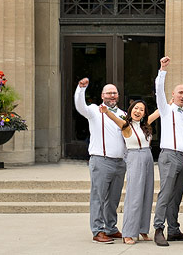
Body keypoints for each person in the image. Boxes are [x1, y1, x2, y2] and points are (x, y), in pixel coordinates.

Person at [75, 78, 128, 244]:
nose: (112, 95)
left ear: (118, 96)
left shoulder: (123, 115)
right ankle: (98, 230)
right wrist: (81, 89)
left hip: (120, 162)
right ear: (102, 95)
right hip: (101, 160)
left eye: (114, 93)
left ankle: (111, 228)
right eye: (108, 93)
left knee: (113, 198)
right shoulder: (94, 111)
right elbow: (80, 106)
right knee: (98, 197)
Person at [100, 98, 156, 245]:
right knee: (134, 196)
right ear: (130, 110)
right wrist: (106, 111)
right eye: (135, 108)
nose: (138, 111)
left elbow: (159, 112)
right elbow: (113, 117)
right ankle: (128, 233)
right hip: (134, 157)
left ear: (144, 113)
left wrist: (169, 103)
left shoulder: (146, 124)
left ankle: (143, 229)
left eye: (141, 109)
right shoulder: (126, 125)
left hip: (148, 157)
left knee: (147, 194)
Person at [153, 56, 183, 246]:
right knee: (166, 193)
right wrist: (162, 70)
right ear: (173, 94)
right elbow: (158, 91)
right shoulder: (166, 109)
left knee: (177, 195)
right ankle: (158, 229)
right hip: (169, 155)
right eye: (180, 92)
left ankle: (174, 229)